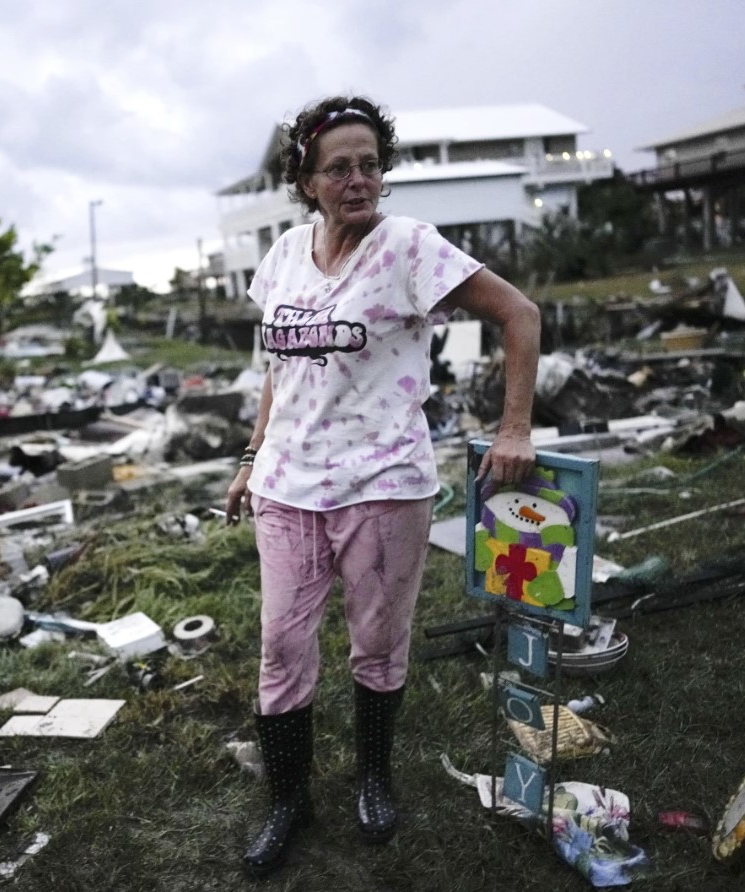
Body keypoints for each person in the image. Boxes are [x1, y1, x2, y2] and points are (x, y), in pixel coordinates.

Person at [224, 95, 541, 878]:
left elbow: (520, 314)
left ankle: (373, 777)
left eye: (370, 164)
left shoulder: (410, 249)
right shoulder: (283, 257)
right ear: (307, 179)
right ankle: (289, 802)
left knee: (377, 645)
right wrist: (249, 457)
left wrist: (514, 429)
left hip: (385, 485)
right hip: (288, 488)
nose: (359, 180)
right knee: (281, 647)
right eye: (339, 167)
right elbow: (279, 368)